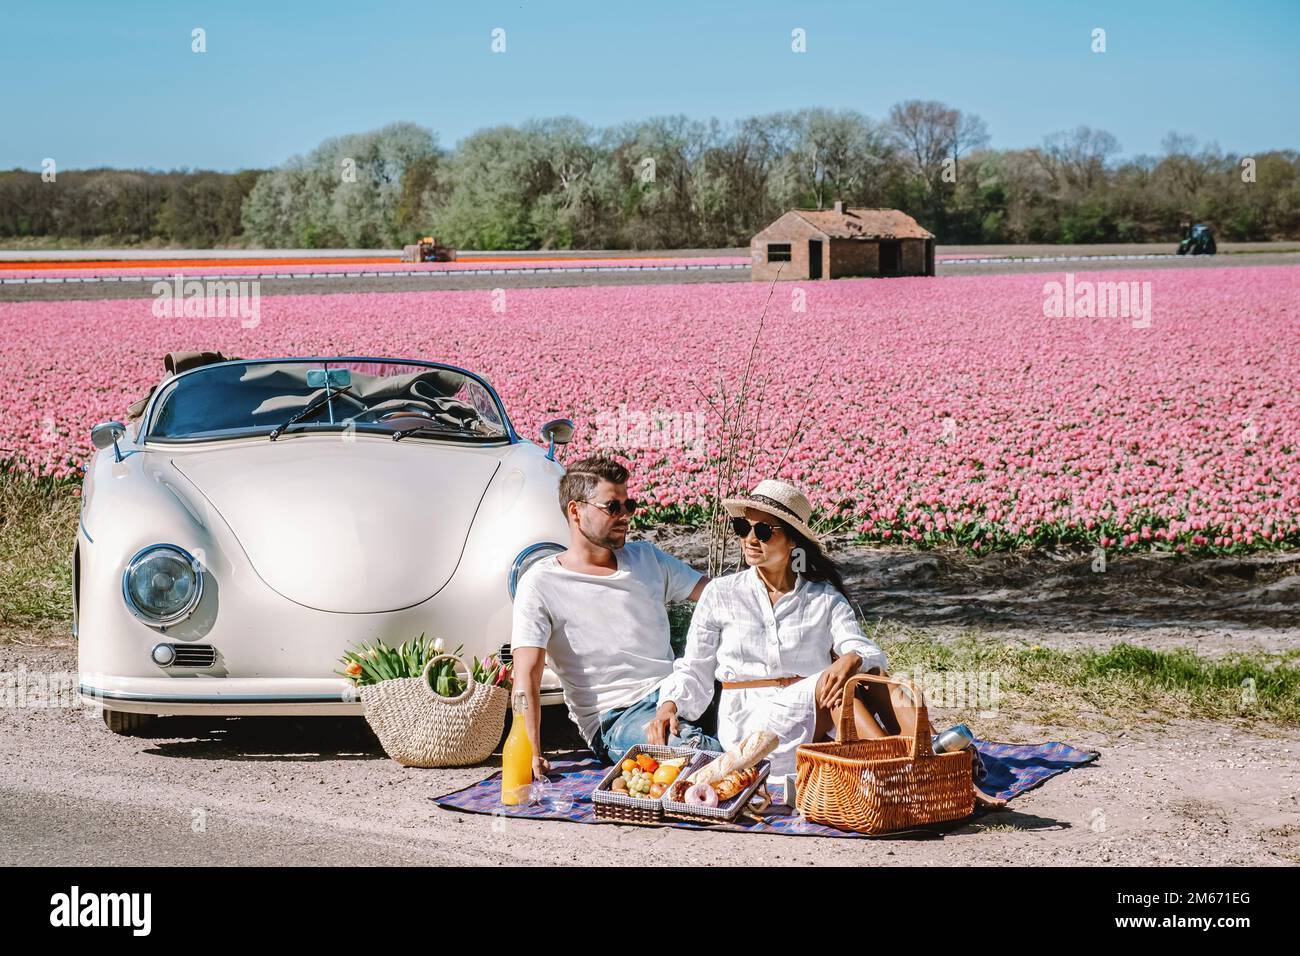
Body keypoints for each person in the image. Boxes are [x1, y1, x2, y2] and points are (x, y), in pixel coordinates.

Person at [652, 478, 1007, 808]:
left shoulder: (823, 597)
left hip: (819, 719)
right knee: (836, 683)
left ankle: (926, 765)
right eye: (743, 528)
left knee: (884, 684)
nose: (750, 539)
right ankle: (922, 772)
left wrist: (851, 658)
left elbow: (861, 647)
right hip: (753, 730)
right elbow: (694, 666)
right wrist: (671, 703)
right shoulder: (721, 594)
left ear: (793, 541)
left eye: (763, 530)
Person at [510, 456, 723, 781]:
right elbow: (527, 676)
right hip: (618, 716)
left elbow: (719, 596)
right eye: (612, 507)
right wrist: (531, 751)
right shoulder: (542, 584)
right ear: (575, 511)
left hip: (678, 693)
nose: (625, 516)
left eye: (629, 505)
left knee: (771, 712)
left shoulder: (646, 559)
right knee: (703, 756)